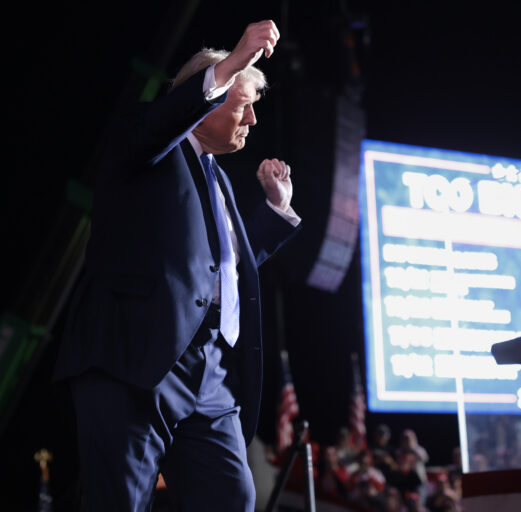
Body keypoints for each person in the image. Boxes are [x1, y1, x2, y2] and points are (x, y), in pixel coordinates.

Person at [53, 20, 300, 511]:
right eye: (243, 103)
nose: (251, 120)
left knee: (231, 497)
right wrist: (230, 63)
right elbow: (157, 128)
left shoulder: (219, 180)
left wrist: (275, 211)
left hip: (208, 371)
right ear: (207, 97)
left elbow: (219, 269)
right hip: (136, 358)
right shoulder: (145, 144)